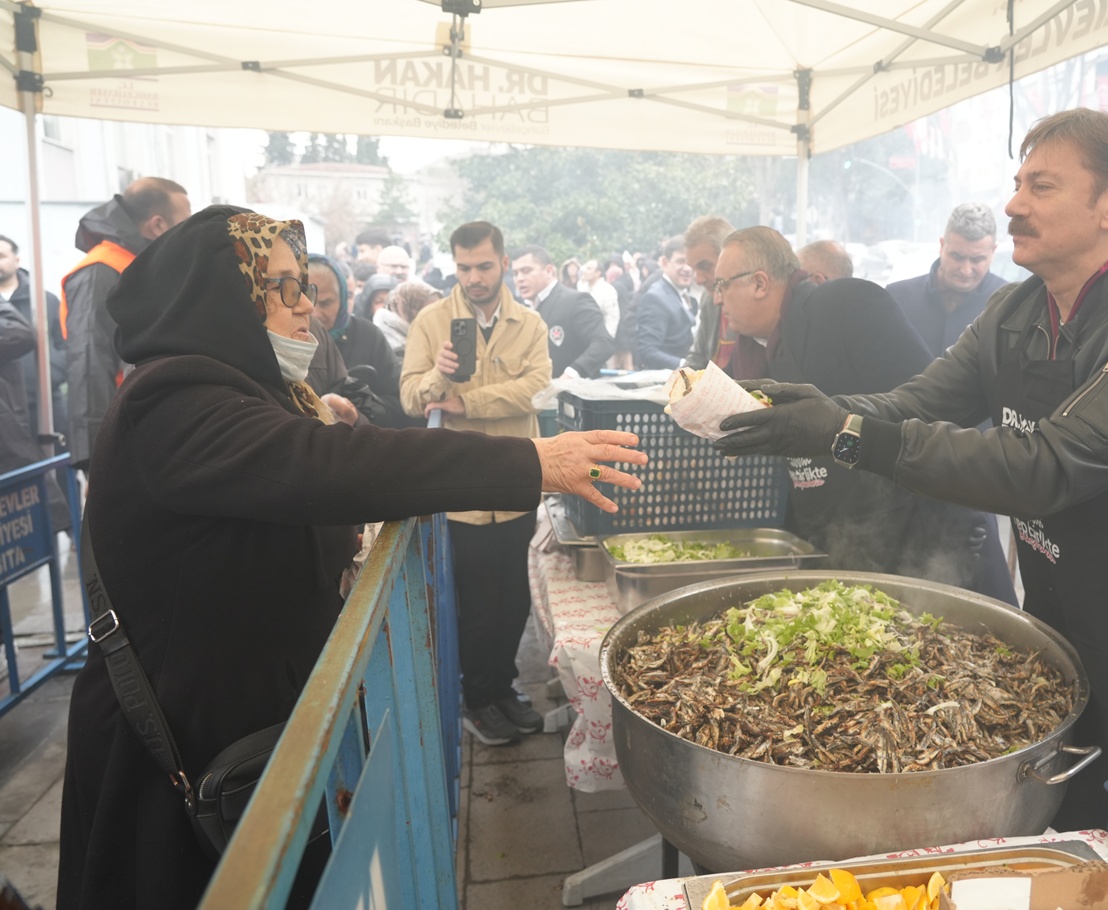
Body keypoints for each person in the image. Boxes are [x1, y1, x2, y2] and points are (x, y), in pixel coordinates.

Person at [56, 207, 645, 910]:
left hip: (241, 727)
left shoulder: (244, 391)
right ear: (220, 300)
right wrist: (529, 461)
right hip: (172, 749)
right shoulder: (171, 399)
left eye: (302, 282)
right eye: (278, 287)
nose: (306, 303)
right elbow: (322, 466)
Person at [717, 109, 1108, 830]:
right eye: (1016, 183)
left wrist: (846, 434)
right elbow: (917, 401)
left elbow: (1049, 465)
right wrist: (812, 413)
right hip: (1068, 605)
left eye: (1041, 186)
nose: (1013, 204)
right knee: (1063, 812)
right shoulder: (1015, 311)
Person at [717, 226, 1017, 602]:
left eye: (722, 285)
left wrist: (958, 527)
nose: (717, 299)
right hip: (847, 542)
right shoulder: (757, 350)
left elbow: (928, 412)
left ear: (760, 283)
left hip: (921, 539)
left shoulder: (847, 302)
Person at [401, 221, 553, 747]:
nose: (474, 278)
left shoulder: (529, 323)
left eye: (484, 266)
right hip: (462, 488)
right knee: (473, 605)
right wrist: (440, 376)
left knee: (513, 600)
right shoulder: (432, 321)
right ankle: (478, 700)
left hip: (514, 481)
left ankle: (501, 687)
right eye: (464, 268)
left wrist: (469, 403)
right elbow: (410, 398)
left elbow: (535, 388)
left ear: (504, 262)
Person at [62, 177, 191, 468]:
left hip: (151, 424)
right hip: (126, 436)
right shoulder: (101, 270)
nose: (190, 231)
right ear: (158, 224)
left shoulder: (142, 265)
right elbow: (88, 365)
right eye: (186, 220)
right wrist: (97, 458)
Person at [308, 254, 416, 428]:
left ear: (342, 299)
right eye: (305, 300)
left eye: (325, 303)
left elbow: (401, 405)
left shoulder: (369, 336)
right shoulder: (282, 342)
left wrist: (359, 408)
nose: (314, 313)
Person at [885, 203, 1007, 355]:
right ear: (942, 246)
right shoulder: (896, 298)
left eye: (977, 260)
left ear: (993, 251)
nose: (966, 270)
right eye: (957, 257)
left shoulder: (1009, 305)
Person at [0, 234, 67, 449]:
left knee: (58, 469)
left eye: (1, 256)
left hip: (46, 402)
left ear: (17, 260)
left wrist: (51, 377)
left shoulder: (44, 299)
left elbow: (66, 344)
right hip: (5, 407)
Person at [510, 244, 614, 379]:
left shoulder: (575, 301)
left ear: (548, 271)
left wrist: (571, 374)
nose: (519, 278)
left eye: (526, 271)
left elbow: (603, 343)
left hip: (572, 395)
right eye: (515, 273)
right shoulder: (520, 309)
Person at [682, 216, 739, 371]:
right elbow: (697, 357)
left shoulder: (754, 303)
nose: (698, 280)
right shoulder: (708, 299)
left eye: (705, 266)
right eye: (694, 269)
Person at [633, 236, 696, 369]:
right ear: (665, 263)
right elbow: (648, 351)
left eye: (691, 263)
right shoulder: (655, 298)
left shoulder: (682, 294)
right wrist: (687, 365)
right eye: (680, 262)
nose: (688, 268)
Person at [375, 279, 442, 357]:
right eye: (427, 311)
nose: (435, 317)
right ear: (409, 309)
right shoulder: (389, 343)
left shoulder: (432, 335)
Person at [577, 258, 621, 337]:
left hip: (599, 336)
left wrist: (607, 338)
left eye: (589, 269)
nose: (585, 271)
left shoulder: (607, 290)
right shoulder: (582, 288)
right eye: (585, 268)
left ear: (598, 273)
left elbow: (612, 317)